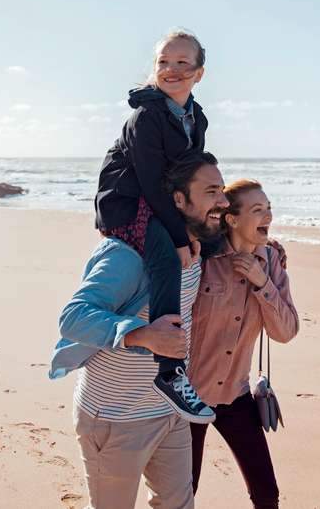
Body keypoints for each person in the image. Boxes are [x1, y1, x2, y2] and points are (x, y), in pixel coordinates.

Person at [51, 152, 228, 509]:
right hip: (115, 418)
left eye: (222, 191)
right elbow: (73, 317)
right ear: (178, 199)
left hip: (167, 411)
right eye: (211, 191)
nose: (222, 201)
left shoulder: (195, 250)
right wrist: (141, 334)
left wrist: (268, 254)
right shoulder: (127, 255)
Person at [93, 29, 214, 422]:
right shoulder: (147, 115)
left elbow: (189, 176)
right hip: (127, 202)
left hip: (161, 198)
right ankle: (170, 372)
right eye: (164, 62)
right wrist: (180, 238)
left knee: (216, 238)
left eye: (182, 63)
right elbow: (147, 180)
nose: (172, 70)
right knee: (166, 257)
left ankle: (209, 343)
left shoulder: (198, 117)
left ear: (199, 73)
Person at [188, 179, 299, 509]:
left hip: (235, 396)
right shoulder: (201, 259)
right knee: (181, 493)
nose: (268, 216)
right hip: (188, 399)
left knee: (267, 494)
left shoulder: (272, 261)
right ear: (232, 219)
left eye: (269, 209)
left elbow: (286, 331)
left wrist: (261, 281)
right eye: (257, 210)